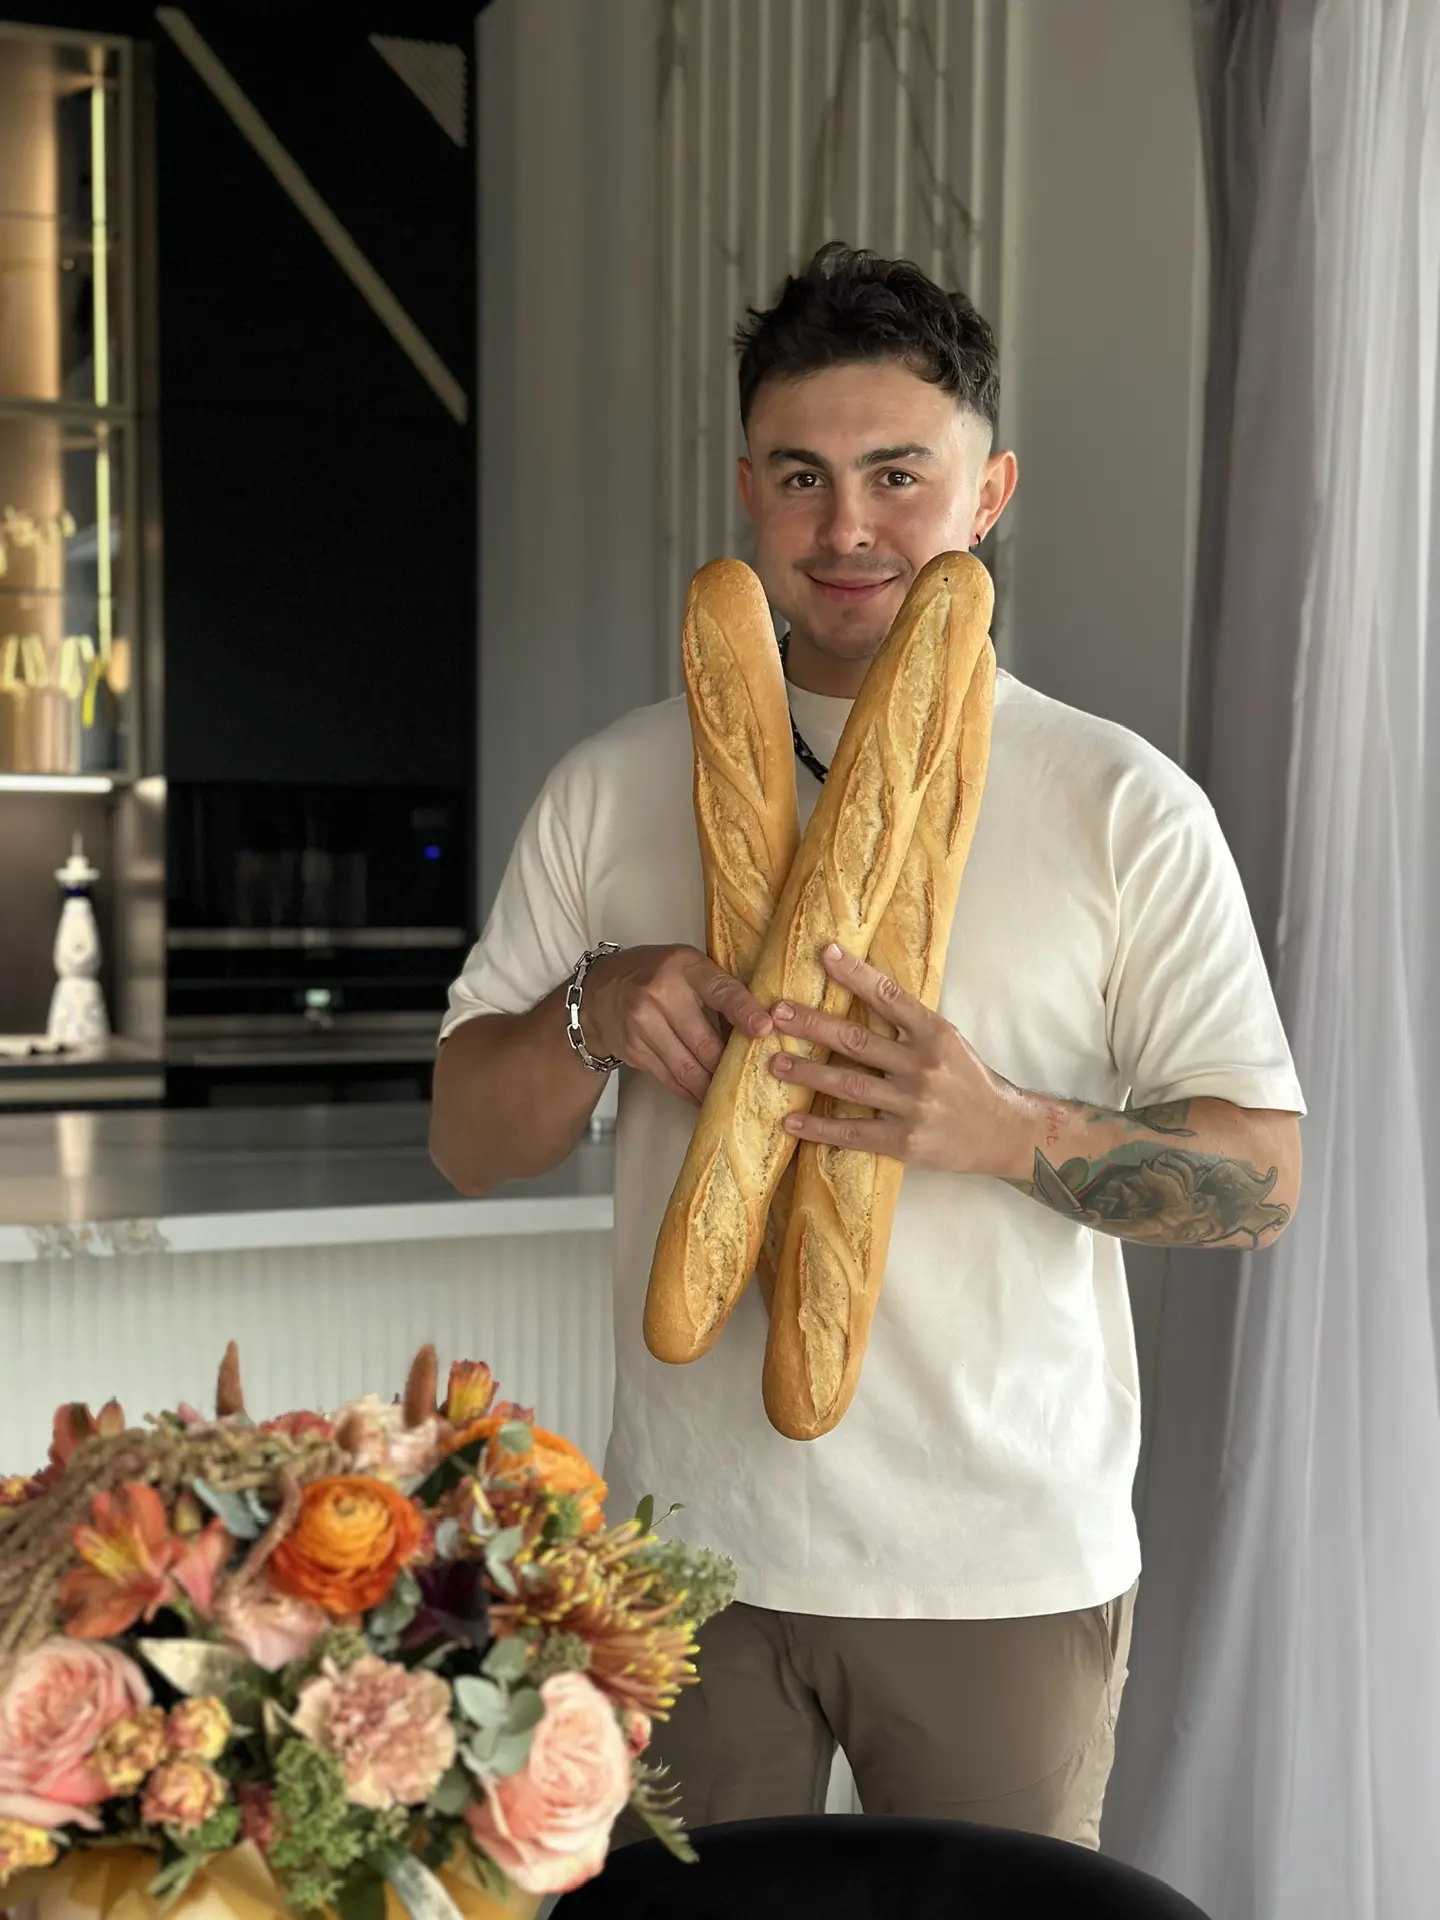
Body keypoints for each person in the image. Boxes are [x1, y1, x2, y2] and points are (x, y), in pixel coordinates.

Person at [430, 244, 1304, 1848]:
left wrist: (1004, 1128)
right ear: (747, 492)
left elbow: (1261, 1185)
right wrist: (590, 1010)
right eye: (802, 476)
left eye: (900, 474)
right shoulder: (613, 786)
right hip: (688, 1556)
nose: (846, 527)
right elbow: (466, 1141)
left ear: (989, 493)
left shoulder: (1121, 807)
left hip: (998, 1569)